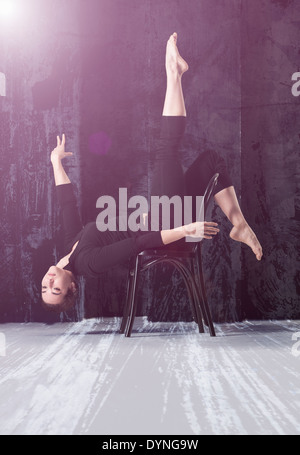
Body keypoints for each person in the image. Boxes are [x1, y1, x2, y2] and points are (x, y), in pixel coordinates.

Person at [41, 33, 263, 313]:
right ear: (72, 288)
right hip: (165, 224)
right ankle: (174, 72)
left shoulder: (70, 246)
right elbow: (138, 243)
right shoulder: (88, 264)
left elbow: (66, 204)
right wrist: (187, 229)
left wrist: (55, 162)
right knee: (165, 149)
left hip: (162, 216)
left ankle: (239, 225)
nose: (49, 282)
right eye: (56, 289)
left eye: (45, 287)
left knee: (211, 161)